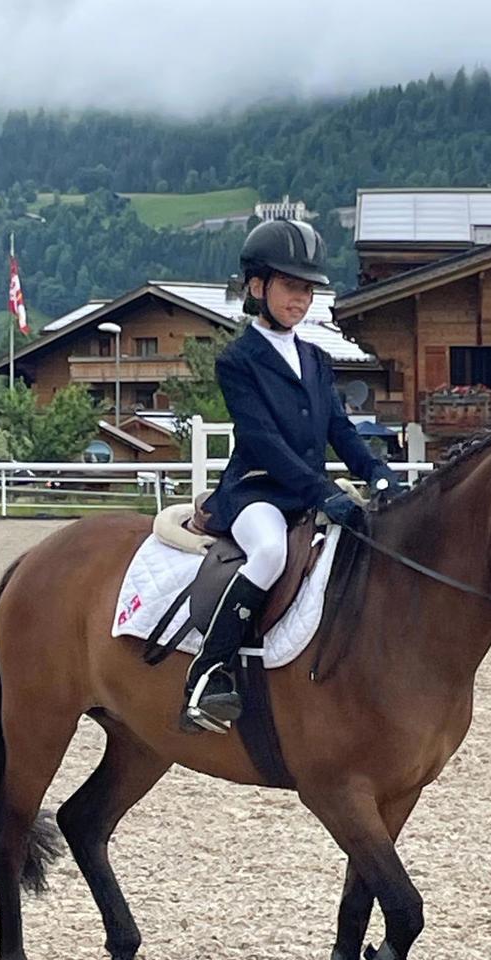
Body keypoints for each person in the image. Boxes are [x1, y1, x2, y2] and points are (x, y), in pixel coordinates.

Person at [181, 218, 401, 733]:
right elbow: (263, 441)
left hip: (307, 494)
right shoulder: (238, 360)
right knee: (271, 552)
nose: (300, 299)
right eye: (289, 287)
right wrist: (324, 492)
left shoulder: (316, 358)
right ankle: (210, 673)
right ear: (258, 287)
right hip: (257, 490)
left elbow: (339, 430)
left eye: (307, 289)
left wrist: (379, 473)